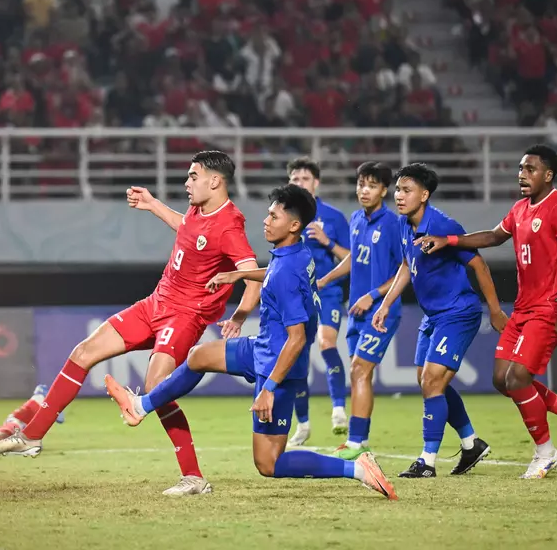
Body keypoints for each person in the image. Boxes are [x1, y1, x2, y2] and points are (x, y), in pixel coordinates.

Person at [0, 150, 262, 497]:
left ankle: (193, 477)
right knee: (84, 351)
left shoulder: (230, 223)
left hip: (185, 314)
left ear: (214, 181)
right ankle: (32, 436)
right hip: (155, 303)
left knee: (156, 385)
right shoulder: (198, 210)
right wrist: (152, 203)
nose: (187, 182)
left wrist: (239, 315)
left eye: (193, 176)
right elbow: (187, 228)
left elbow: (252, 273)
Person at [104, 185, 397, 500]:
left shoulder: (287, 271)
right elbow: (275, 272)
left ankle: (358, 469)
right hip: (262, 347)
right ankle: (141, 406)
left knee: (269, 463)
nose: (266, 220)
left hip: (278, 366)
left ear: (294, 225)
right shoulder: (295, 252)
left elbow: (297, 338)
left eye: (274, 215)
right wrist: (236, 276)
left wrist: (269, 389)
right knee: (199, 356)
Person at [415, 145, 557, 479]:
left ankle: (545, 452)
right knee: (502, 380)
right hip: (523, 306)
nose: (522, 175)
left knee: (518, 378)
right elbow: (493, 237)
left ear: (548, 175)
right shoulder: (520, 208)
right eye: (521, 169)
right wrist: (449, 240)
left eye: (530, 169)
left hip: (547, 307)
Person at [372, 163, 507, 477]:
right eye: (398, 190)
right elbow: (407, 266)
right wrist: (385, 302)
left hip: (458, 312)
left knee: (432, 381)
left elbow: (480, 266)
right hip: (433, 316)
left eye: (407, 190)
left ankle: (427, 462)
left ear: (425, 194)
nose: (399, 196)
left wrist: (496, 310)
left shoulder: (444, 225)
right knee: (429, 381)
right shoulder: (406, 225)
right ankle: (471, 443)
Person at [317, 162, 402, 459]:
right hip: (356, 311)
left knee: (359, 370)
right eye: (361, 184)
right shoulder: (355, 219)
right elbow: (355, 257)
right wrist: (327, 278)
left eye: (372, 185)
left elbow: (406, 271)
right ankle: (360, 440)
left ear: (384, 190)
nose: (364, 191)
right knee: (359, 375)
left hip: (381, 311)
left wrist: (373, 295)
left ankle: (356, 442)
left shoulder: (393, 224)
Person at [285, 157, 350, 445]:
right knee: (297, 355)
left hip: (328, 291)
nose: (300, 183)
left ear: (316, 183)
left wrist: (326, 241)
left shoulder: (333, 217)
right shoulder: (284, 214)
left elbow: (351, 257)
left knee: (327, 342)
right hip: (297, 294)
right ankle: (303, 424)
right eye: (295, 179)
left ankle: (338, 409)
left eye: (305, 179)